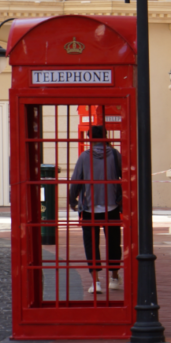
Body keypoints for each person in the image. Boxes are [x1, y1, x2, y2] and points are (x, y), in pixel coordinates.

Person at [69, 125, 123, 294]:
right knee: (113, 242)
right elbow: (125, 176)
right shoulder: (115, 155)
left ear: (89, 138)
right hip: (112, 206)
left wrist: (72, 200)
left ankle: (96, 282)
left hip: (89, 208)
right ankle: (113, 276)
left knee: (91, 245)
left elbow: (76, 180)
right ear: (106, 136)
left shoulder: (84, 156)